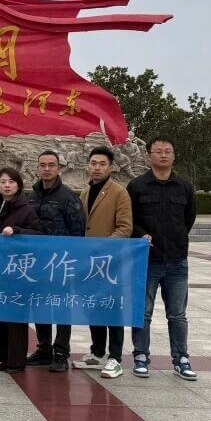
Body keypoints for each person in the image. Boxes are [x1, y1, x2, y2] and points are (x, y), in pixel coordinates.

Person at [128, 138, 197, 381]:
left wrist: (177, 240)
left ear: (174, 155)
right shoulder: (137, 186)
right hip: (147, 259)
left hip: (177, 261)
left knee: (177, 314)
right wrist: (140, 234)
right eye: (158, 151)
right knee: (143, 312)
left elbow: (189, 218)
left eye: (168, 151)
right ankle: (140, 356)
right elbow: (129, 219)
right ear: (149, 156)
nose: (163, 155)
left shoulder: (185, 186)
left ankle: (181, 358)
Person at [73, 147, 133, 379]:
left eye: (102, 164)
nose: (97, 168)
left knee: (112, 309)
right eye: (93, 163)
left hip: (110, 263)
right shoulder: (85, 192)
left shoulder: (119, 192)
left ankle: (115, 358)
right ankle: (97, 352)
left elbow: (125, 228)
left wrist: (104, 247)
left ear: (111, 167)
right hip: (88, 263)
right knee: (93, 306)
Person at [26, 150, 85, 373]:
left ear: (59, 168)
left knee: (61, 308)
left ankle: (61, 352)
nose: (47, 169)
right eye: (43, 165)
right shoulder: (31, 196)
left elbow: (77, 232)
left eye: (51, 165)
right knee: (39, 305)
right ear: (37, 168)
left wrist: (72, 262)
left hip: (60, 263)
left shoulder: (68, 197)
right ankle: (44, 349)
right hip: (37, 263)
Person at [0, 167, 41, 373]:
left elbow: (38, 234)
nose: (7, 185)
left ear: (18, 185)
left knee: (16, 317)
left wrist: (16, 231)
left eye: (11, 182)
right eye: (3, 182)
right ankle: (3, 357)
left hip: (18, 271)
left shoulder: (26, 209)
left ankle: (16, 361)